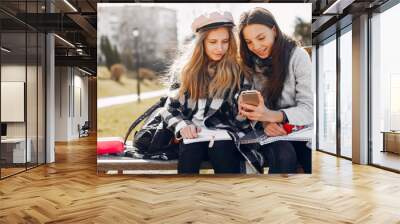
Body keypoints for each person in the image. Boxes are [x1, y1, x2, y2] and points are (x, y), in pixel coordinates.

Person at [160, 11, 243, 174]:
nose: (220, 48)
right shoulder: (184, 70)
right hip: (191, 138)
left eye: (225, 41)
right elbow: (169, 108)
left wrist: (242, 111)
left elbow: (239, 118)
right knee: (190, 149)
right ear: (202, 43)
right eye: (213, 42)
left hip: (221, 137)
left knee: (222, 149)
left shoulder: (237, 71)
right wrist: (183, 125)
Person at [237, 7, 313, 174]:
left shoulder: (298, 57)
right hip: (268, 133)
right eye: (249, 42)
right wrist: (264, 121)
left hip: (300, 130)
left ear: (274, 30)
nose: (255, 46)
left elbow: (309, 109)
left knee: (310, 159)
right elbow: (246, 110)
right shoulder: (248, 64)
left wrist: (271, 115)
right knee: (284, 155)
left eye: (261, 38)